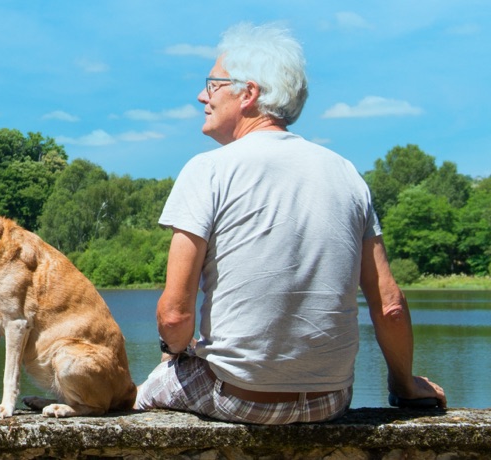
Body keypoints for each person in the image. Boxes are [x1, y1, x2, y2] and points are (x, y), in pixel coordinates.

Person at [134, 22, 447, 425]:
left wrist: (174, 351)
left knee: (141, 392)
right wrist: (405, 384)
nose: (201, 96)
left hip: (237, 398)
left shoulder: (207, 170)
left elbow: (175, 316)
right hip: (330, 401)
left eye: (212, 85)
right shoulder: (347, 173)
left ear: (248, 93)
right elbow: (390, 307)